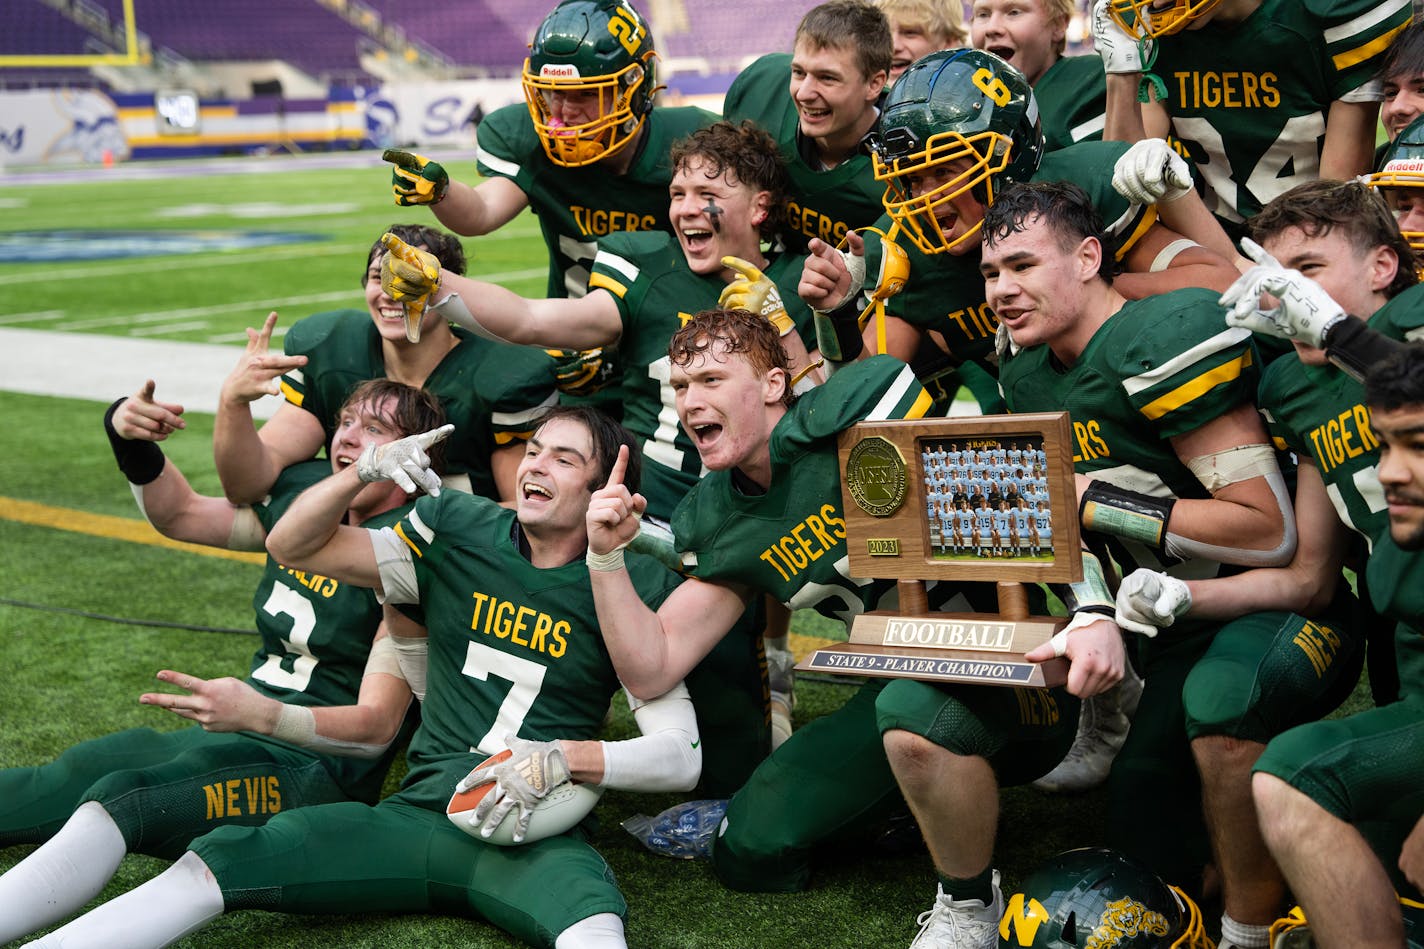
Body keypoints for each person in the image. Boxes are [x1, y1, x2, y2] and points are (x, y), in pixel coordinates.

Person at [28, 407, 700, 949]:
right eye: (533, 449)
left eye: (564, 457)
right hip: (416, 812)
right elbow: (292, 546)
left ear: (601, 488)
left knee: (593, 926)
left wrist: (567, 757)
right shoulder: (457, 528)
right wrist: (359, 474)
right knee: (219, 861)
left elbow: (679, 756)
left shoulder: (625, 577)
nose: (535, 464)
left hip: (532, 833)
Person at [586, 309, 1101, 941]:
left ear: (774, 385)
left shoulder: (854, 415)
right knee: (751, 846)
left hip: (1021, 675)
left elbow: (1033, 487)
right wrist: (605, 555)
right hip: (899, 683)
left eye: (713, 380)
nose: (693, 402)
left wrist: (1094, 611)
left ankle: (969, 907)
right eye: (682, 388)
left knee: (912, 712)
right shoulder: (717, 513)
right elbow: (653, 664)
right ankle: (905, 811)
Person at [383, 120, 820, 775]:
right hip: (643, 496)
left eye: (706, 190)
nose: (683, 206)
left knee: (730, 641)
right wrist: (445, 286)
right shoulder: (646, 264)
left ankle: (742, 756)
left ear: (758, 207)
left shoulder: (795, 277)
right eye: (676, 191)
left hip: (740, 503)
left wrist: (781, 318)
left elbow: (820, 408)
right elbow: (537, 320)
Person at [0, 377, 443, 944]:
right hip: (244, 724)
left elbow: (376, 730)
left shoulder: (404, 549)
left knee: (124, 798)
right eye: (347, 422)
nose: (349, 439)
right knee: (80, 770)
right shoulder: (304, 505)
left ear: (413, 455)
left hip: (312, 761)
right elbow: (182, 514)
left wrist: (261, 715)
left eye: (375, 429)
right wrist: (127, 435)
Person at [1115, 178, 1420, 948]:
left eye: (1307, 271)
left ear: (1384, 266)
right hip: (1408, 637)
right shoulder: (1294, 384)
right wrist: (1184, 596)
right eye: (1272, 277)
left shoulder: (1415, 324)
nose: (1284, 296)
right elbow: (1310, 573)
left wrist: (1346, 335)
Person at [985, 181, 1294, 912]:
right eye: (992, 272)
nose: (1001, 289)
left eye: (1023, 266)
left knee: (1157, 815)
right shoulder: (1025, 370)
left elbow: (1268, 528)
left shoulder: (1162, 337)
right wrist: (1091, 606)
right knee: (1142, 831)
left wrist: (1102, 498)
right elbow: (1064, 518)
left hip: (1256, 606)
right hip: (1162, 618)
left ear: (1090, 257)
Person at [800, 49, 1240, 415]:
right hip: (1045, 420)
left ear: (1007, 163)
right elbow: (858, 395)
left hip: (1158, 397)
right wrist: (835, 316)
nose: (926, 198)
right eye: (913, 179)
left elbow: (1223, 285)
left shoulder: (1080, 190)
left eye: (945, 172)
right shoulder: (903, 248)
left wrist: (1091, 292)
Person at [1250, 343, 1424, 949]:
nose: (1391, 471)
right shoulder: (1398, 550)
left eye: (1417, 447)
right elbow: (1308, 581)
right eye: (1386, 445)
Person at [383, 0, 715, 303]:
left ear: (634, 86)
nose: (564, 111)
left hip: (674, 335)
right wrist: (443, 191)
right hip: (571, 333)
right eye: (553, 92)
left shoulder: (696, 142)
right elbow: (482, 212)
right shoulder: (528, 139)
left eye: (584, 94)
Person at [212, 224, 556, 504]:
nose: (391, 292)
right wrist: (233, 403)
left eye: (410, 280)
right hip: (360, 543)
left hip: (459, 557)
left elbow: (525, 512)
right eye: (380, 277)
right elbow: (247, 487)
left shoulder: (500, 376)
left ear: (447, 292)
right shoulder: (331, 351)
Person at [1098, 0, 1413, 235]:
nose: (1154, 5)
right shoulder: (1158, 25)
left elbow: (1338, 203)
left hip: (1311, 236)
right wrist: (1121, 74)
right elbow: (1121, 190)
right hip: (1206, 241)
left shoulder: (1322, 15)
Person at [722, 0, 892, 253]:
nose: (804, 93)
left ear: (874, 84)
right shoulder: (761, 94)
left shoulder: (907, 159)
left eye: (827, 78)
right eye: (799, 72)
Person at [972, 0, 1113, 150]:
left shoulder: (1092, 81)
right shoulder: (965, 99)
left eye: (1014, 12)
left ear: (1058, 24)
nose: (992, 28)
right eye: (983, 15)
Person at [877, 0, 967, 82]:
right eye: (885, 33)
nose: (893, 46)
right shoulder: (866, 95)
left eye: (909, 32)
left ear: (949, 42)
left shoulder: (970, 95)